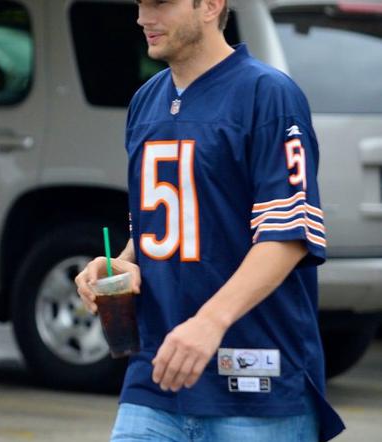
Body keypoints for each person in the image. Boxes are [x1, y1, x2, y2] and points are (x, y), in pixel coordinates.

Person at [74, 0, 345, 441]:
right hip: (156, 377)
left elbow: (288, 234)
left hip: (257, 383)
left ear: (211, 5)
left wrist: (209, 322)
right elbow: (156, 225)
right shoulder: (145, 100)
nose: (143, 17)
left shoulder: (269, 94)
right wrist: (122, 262)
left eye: (160, 3)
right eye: (141, 4)